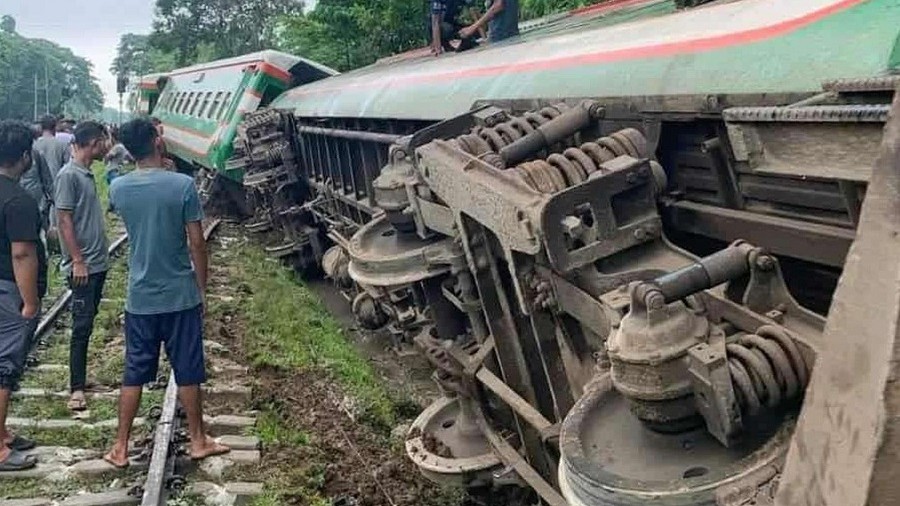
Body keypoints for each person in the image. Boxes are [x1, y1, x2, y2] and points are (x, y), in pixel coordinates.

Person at [104, 118, 228, 468]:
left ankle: (121, 447)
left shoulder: (120, 190)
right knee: (188, 370)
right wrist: (201, 288)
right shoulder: (183, 186)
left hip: (140, 297)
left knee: (134, 372)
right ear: (157, 142)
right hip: (179, 295)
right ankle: (199, 440)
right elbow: (197, 243)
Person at [0, 120, 49, 471]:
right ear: (24, 157)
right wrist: (30, 301)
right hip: (6, 291)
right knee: (5, 367)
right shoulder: (19, 200)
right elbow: (22, 254)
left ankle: (1, 433)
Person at [55, 121, 111, 412]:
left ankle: (82, 379)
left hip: (96, 263)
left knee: (87, 323)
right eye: (104, 141)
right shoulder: (68, 175)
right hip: (82, 267)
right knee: (80, 325)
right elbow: (63, 219)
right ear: (93, 143)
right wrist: (77, 260)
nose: (107, 146)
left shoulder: (86, 174)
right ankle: (76, 388)